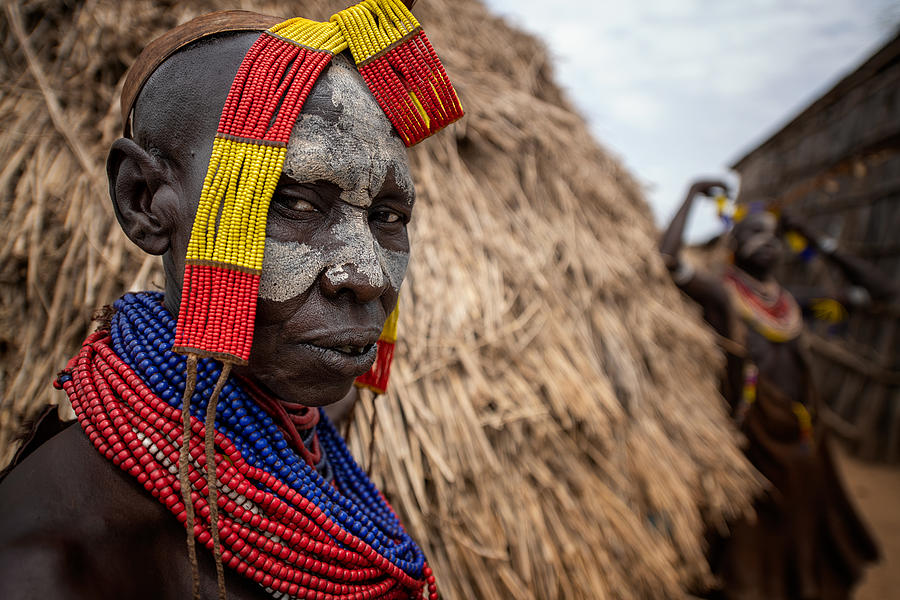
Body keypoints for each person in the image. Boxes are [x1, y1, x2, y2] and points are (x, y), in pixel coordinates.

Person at [0, 3, 462, 599]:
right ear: (145, 201)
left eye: (387, 216)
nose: (368, 273)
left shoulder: (298, 416)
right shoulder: (50, 570)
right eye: (294, 203)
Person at [659, 180, 886, 600]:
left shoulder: (794, 304)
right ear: (734, 248)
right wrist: (691, 193)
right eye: (753, 235)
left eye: (774, 237)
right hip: (750, 441)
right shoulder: (722, 297)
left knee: (802, 526)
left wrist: (814, 238)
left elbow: (880, 292)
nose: (768, 243)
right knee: (746, 536)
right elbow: (666, 261)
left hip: (803, 438)